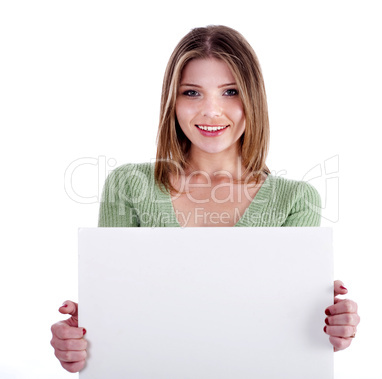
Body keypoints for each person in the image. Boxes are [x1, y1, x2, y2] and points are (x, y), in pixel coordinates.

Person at [50, 25, 360, 373]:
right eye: (192, 93)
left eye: (230, 91)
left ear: (252, 98)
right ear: (173, 100)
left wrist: (323, 326)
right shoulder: (128, 185)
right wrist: (85, 335)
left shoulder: (295, 200)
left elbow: (278, 335)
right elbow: (118, 321)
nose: (211, 111)